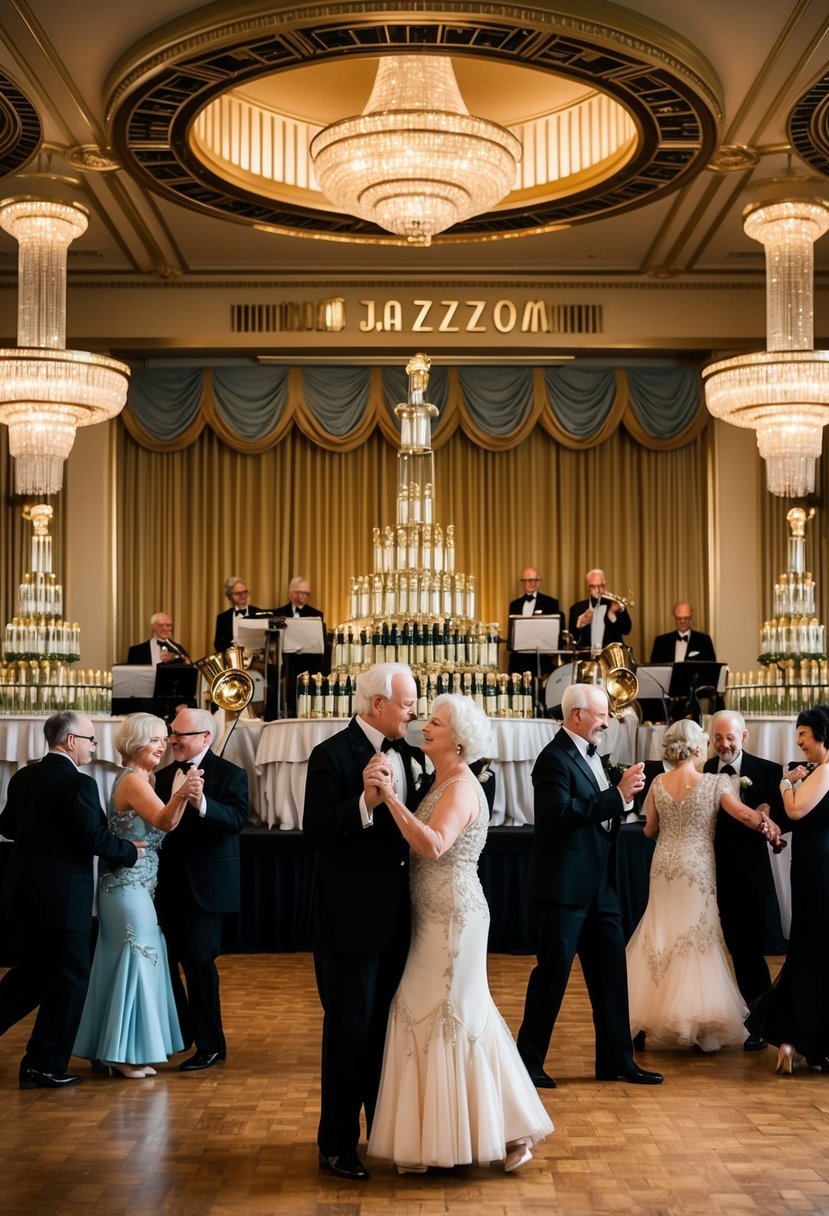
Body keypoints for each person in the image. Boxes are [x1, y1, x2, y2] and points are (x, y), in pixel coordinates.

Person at [368, 694, 553, 1174]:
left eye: (435, 722)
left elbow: (431, 845)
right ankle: (441, 1139)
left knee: (455, 1015)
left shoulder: (462, 788)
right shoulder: (442, 780)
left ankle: (507, 1133)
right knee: (430, 1010)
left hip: (453, 917)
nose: (423, 726)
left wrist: (388, 799)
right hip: (432, 915)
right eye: (427, 718)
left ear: (459, 739)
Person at [303, 662, 427, 1182]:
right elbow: (316, 830)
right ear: (378, 704)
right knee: (349, 1033)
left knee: (385, 1032)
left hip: (401, 919)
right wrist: (364, 803)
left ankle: (383, 1131)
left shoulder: (415, 757)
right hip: (349, 921)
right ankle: (336, 1143)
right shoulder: (331, 754)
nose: (414, 711)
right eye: (407, 703)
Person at [516, 684, 662, 1088]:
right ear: (576, 714)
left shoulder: (595, 756)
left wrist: (622, 798)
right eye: (601, 715)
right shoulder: (553, 759)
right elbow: (554, 817)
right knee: (552, 976)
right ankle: (527, 1064)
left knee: (613, 975)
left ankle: (617, 1060)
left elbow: (599, 816)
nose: (607, 721)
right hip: (563, 889)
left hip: (600, 888)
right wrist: (615, 797)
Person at [0, 712, 144, 1089]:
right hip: (63, 899)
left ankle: (39, 1064)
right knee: (70, 980)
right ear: (70, 741)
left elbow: (8, 827)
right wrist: (130, 852)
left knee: (30, 977)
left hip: (22, 895)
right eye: (91, 740)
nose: (94, 748)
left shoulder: (23, 777)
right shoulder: (77, 784)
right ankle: (43, 1065)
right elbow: (93, 839)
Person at [625, 719, 783, 1052]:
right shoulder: (714, 782)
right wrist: (767, 825)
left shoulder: (657, 782)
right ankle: (696, 1028)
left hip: (664, 865)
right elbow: (742, 814)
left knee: (659, 932)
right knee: (695, 936)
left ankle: (640, 1021)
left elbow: (648, 830)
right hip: (696, 867)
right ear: (699, 747)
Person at [73, 713, 202, 1077]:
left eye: (165, 739)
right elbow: (164, 822)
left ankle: (113, 1050)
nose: (163, 746)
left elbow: (162, 825)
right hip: (126, 887)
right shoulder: (132, 780)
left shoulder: (143, 779)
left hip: (135, 886)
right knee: (138, 958)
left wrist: (180, 794)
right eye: (156, 740)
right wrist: (182, 793)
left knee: (123, 961)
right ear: (137, 743)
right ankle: (126, 1055)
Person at [153, 707, 248, 1071]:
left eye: (181, 735)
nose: (173, 739)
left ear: (205, 738)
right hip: (167, 886)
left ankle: (210, 1044)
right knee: (167, 962)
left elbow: (238, 820)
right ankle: (184, 1033)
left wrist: (202, 803)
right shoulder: (163, 778)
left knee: (199, 964)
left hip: (207, 888)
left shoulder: (230, 775)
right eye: (172, 733)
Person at [749, 705, 829, 1075]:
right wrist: (777, 831)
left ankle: (794, 1039)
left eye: (803, 736)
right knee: (813, 947)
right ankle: (803, 1041)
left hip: (819, 870)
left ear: (822, 738)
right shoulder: (819, 772)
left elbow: (796, 810)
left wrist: (786, 783)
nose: (798, 742)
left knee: (810, 947)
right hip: (814, 866)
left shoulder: (826, 769)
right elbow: (805, 820)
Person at [703, 710, 786, 1036]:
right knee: (731, 950)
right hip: (712, 874)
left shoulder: (766, 772)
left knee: (749, 951)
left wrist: (768, 812)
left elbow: (786, 815)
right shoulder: (706, 770)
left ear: (744, 737)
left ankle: (760, 1023)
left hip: (750, 877)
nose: (723, 745)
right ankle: (743, 1018)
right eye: (718, 738)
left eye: (730, 738)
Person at [274, 576, 328, 719]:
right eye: (301, 592)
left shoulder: (317, 614)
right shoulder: (279, 613)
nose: (304, 596)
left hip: (309, 660)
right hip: (286, 660)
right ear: (291, 593)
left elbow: (320, 640)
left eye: (307, 593)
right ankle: (288, 712)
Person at [507, 566, 562, 676]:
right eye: (527, 580)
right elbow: (511, 632)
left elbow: (554, 633)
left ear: (539, 582)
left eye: (534, 580)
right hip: (519, 660)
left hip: (540, 659)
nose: (531, 583)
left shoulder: (551, 603)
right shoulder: (514, 605)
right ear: (522, 583)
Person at [568, 569, 632, 651]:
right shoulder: (576, 608)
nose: (598, 590)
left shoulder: (614, 604)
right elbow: (571, 641)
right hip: (586, 659)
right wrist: (579, 624)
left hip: (611, 658)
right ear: (587, 587)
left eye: (601, 586)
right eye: (593, 586)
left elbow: (627, 630)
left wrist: (612, 614)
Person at [649, 602, 716, 664]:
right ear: (674, 618)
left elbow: (712, 668)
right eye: (679, 618)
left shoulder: (704, 641)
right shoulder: (661, 642)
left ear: (691, 617)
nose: (682, 621)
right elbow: (654, 668)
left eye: (686, 618)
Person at [213, 576, 261, 652]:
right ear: (230, 596)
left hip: (256, 660)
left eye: (245, 592)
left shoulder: (259, 613)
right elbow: (218, 644)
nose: (243, 596)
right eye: (238, 593)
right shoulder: (222, 618)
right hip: (232, 660)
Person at [126, 612, 191, 665]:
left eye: (168, 625)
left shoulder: (178, 649)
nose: (165, 629)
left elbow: (189, 666)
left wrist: (174, 657)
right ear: (152, 628)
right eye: (160, 625)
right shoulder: (136, 651)